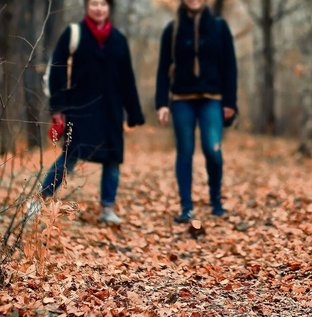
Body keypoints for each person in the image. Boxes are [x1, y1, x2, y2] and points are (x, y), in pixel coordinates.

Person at [35, 0, 144, 224]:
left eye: (103, 4)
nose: (98, 8)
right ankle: (40, 201)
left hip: (111, 111)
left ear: (109, 8)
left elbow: (127, 79)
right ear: (87, 6)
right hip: (80, 109)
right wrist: (57, 108)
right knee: (70, 156)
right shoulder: (74, 34)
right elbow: (57, 71)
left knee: (112, 159)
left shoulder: (119, 40)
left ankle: (107, 209)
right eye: (94, 3)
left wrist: (134, 112)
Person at [155, 0, 237, 223]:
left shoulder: (220, 27)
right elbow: (163, 69)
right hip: (182, 100)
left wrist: (230, 102)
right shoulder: (172, 30)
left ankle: (216, 200)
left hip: (213, 99)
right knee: (185, 151)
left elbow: (230, 66)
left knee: (213, 151)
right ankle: (186, 207)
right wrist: (162, 103)